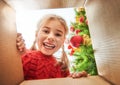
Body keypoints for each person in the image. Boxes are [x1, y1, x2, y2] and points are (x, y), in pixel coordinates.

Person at [16, 14, 88, 80]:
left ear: (63, 41)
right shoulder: (24, 55)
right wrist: (16, 48)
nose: (51, 37)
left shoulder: (63, 70)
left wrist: (77, 78)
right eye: (46, 31)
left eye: (57, 34)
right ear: (36, 34)